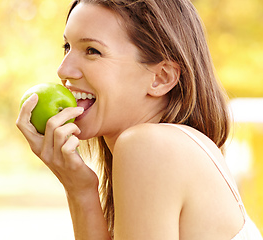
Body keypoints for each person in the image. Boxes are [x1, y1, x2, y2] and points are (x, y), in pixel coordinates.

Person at [16, 0, 263, 239]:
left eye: (92, 51)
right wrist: (79, 190)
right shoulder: (171, 146)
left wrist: (80, 193)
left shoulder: (149, 146)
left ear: (161, 78)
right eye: (67, 47)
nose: (63, 70)